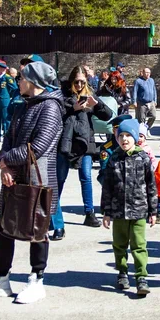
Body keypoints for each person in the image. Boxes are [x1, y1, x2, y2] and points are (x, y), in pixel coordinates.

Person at [0, 60, 64, 304]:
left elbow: (39, 147)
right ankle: (1, 279)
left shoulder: (50, 107)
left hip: (37, 180)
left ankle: (37, 280)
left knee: (37, 231)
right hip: (13, 177)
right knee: (2, 227)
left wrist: (5, 162)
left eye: (22, 77)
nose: (18, 81)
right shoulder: (24, 105)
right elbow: (8, 139)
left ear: (33, 82)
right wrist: (5, 162)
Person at [100, 117, 156, 296]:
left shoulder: (143, 158)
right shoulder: (113, 159)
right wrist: (106, 212)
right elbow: (107, 187)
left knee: (139, 245)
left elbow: (151, 186)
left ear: (135, 138)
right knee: (119, 244)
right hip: (118, 212)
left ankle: (141, 277)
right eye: (121, 136)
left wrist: (154, 211)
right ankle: (122, 273)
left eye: (128, 136)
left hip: (139, 210)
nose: (124, 139)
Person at [53, 66, 112, 238]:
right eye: (76, 82)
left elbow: (107, 115)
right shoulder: (63, 95)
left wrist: (97, 104)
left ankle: (89, 213)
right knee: (60, 179)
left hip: (86, 143)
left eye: (82, 82)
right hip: (66, 143)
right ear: (71, 81)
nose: (79, 85)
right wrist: (74, 109)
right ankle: (53, 214)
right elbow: (56, 114)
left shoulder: (90, 94)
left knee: (86, 176)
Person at [0, 67, 17, 142]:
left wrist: (10, 96)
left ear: (3, 69)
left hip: (4, 101)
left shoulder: (7, 77)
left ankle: (6, 137)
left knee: (6, 120)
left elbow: (14, 88)